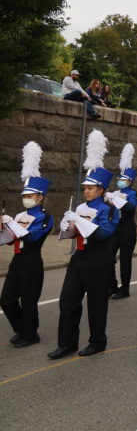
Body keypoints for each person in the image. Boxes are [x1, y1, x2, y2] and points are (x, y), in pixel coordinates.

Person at [49, 131, 119, 359]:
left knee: (97, 304)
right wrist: (67, 226)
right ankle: (66, 343)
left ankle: (98, 341)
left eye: (90, 188)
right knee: (67, 302)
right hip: (78, 257)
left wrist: (80, 221)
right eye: (85, 188)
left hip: (98, 260)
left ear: (100, 189)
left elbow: (104, 234)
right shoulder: (80, 207)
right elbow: (73, 233)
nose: (86, 191)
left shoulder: (108, 209)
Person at [0, 142, 54, 348]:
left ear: (40, 197)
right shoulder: (20, 215)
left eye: (30, 196)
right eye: (24, 196)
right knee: (6, 300)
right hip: (17, 260)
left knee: (29, 301)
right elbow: (10, 238)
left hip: (32, 261)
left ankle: (31, 334)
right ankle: (21, 328)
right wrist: (3, 229)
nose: (26, 199)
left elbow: (30, 237)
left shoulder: (45, 217)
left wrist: (11, 223)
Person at [108, 144, 137, 300]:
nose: (120, 180)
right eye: (119, 178)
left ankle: (125, 288)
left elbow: (130, 207)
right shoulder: (114, 192)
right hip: (115, 228)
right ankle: (111, 285)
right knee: (108, 257)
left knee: (125, 260)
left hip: (127, 229)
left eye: (123, 178)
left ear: (130, 181)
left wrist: (117, 201)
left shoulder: (134, 193)